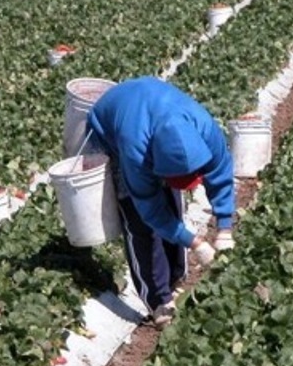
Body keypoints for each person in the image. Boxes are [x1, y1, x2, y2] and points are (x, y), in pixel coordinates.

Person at [86, 76, 236, 326]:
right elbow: (150, 210)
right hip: (111, 130)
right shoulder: (136, 151)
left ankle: (175, 277)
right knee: (138, 221)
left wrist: (225, 227)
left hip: (154, 111)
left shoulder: (204, 129)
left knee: (171, 202)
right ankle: (158, 300)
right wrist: (196, 242)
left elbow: (220, 171)